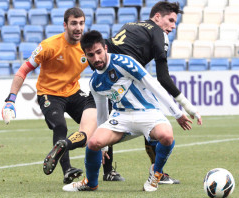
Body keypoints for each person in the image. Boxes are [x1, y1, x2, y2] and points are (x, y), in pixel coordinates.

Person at [62, 30, 193, 192]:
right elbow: (102, 113)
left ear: (105, 48)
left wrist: (178, 113)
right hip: (121, 117)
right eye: (91, 55)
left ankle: (156, 173)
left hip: (148, 112)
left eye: (98, 52)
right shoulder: (95, 83)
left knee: (166, 136)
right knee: (93, 143)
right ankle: (90, 183)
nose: (96, 58)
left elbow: (153, 84)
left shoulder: (124, 62)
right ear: (85, 55)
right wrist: (103, 148)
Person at [102, 1, 203, 184]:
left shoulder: (131, 25)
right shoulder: (158, 33)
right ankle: (158, 173)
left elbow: (109, 46)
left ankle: (106, 171)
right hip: (128, 80)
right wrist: (187, 107)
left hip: (108, 79)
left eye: (175, 22)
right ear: (157, 17)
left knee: (105, 124)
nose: (173, 26)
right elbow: (163, 78)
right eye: (170, 20)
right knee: (153, 119)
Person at [1, 7, 97, 184]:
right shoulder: (49, 46)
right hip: (49, 94)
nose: (78, 28)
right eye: (74, 23)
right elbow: (23, 70)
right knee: (60, 126)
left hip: (74, 92)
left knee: (99, 118)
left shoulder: (87, 47)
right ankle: (67, 170)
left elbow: (101, 67)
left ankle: (108, 171)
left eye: (81, 23)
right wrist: (10, 100)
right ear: (65, 25)